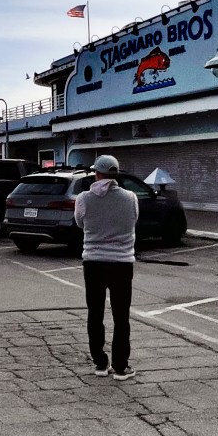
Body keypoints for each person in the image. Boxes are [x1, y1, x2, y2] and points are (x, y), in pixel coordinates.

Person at [74, 155, 140, 380]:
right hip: (122, 263)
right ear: (116, 174)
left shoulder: (83, 198)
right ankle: (121, 366)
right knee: (121, 316)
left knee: (95, 313)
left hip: (93, 262)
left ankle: (100, 363)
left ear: (97, 174)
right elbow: (133, 220)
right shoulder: (130, 198)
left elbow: (80, 223)